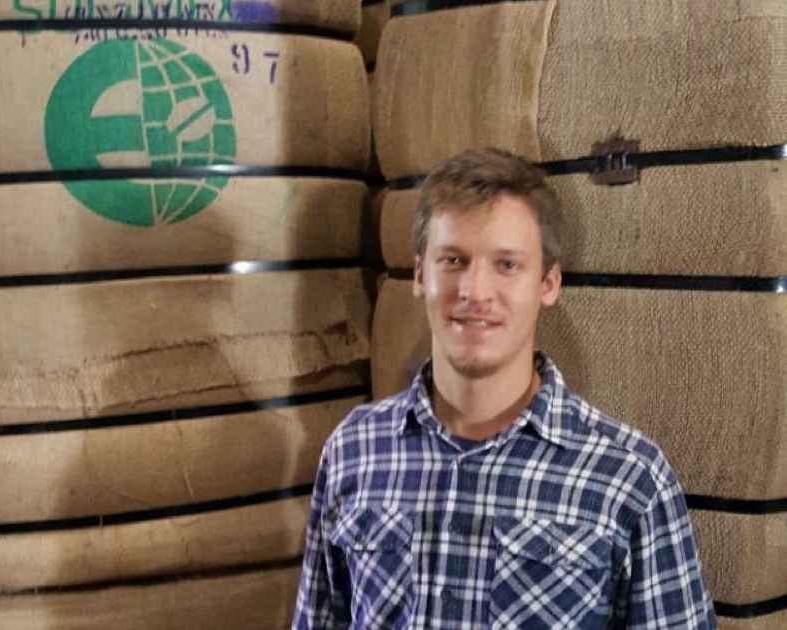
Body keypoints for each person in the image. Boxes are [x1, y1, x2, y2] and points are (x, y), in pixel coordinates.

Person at [292, 147, 717, 629]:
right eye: (453, 260)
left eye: (507, 265)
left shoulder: (628, 478)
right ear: (420, 274)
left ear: (548, 284)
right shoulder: (354, 450)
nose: (475, 291)